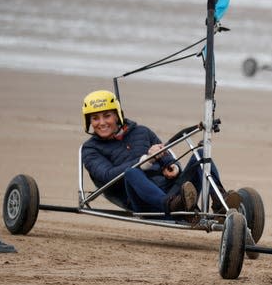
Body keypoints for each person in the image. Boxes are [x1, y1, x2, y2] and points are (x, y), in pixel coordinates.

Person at [80, 89, 240, 218]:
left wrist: (173, 167)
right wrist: (145, 161)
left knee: (201, 154)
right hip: (142, 201)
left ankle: (220, 204)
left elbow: (166, 154)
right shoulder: (90, 149)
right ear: (89, 122)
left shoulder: (142, 132)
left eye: (107, 116)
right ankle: (171, 206)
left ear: (117, 115)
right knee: (132, 172)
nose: (101, 123)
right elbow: (107, 176)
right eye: (95, 118)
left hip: (177, 195)